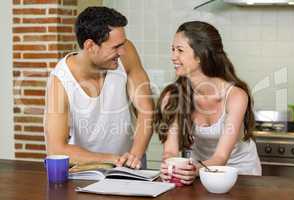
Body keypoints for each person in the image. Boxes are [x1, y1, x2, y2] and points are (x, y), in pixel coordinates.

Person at [44, 6, 154, 169]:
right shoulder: (60, 81)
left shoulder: (126, 52)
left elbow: (146, 111)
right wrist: (114, 159)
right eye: (116, 47)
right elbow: (56, 149)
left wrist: (133, 157)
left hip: (131, 161)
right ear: (90, 46)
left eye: (122, 44)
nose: (122, 51)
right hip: (88, 169)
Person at [154, 21, 261, 184]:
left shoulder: (236, 96)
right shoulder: (173, 96)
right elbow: (170, 150)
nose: (173, 57)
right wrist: (170, 165)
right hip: (199, 173)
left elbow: (221, 157)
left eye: (180, 50)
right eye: (173, 49)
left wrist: (193, 170)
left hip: (242, 175)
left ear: (201, 55)